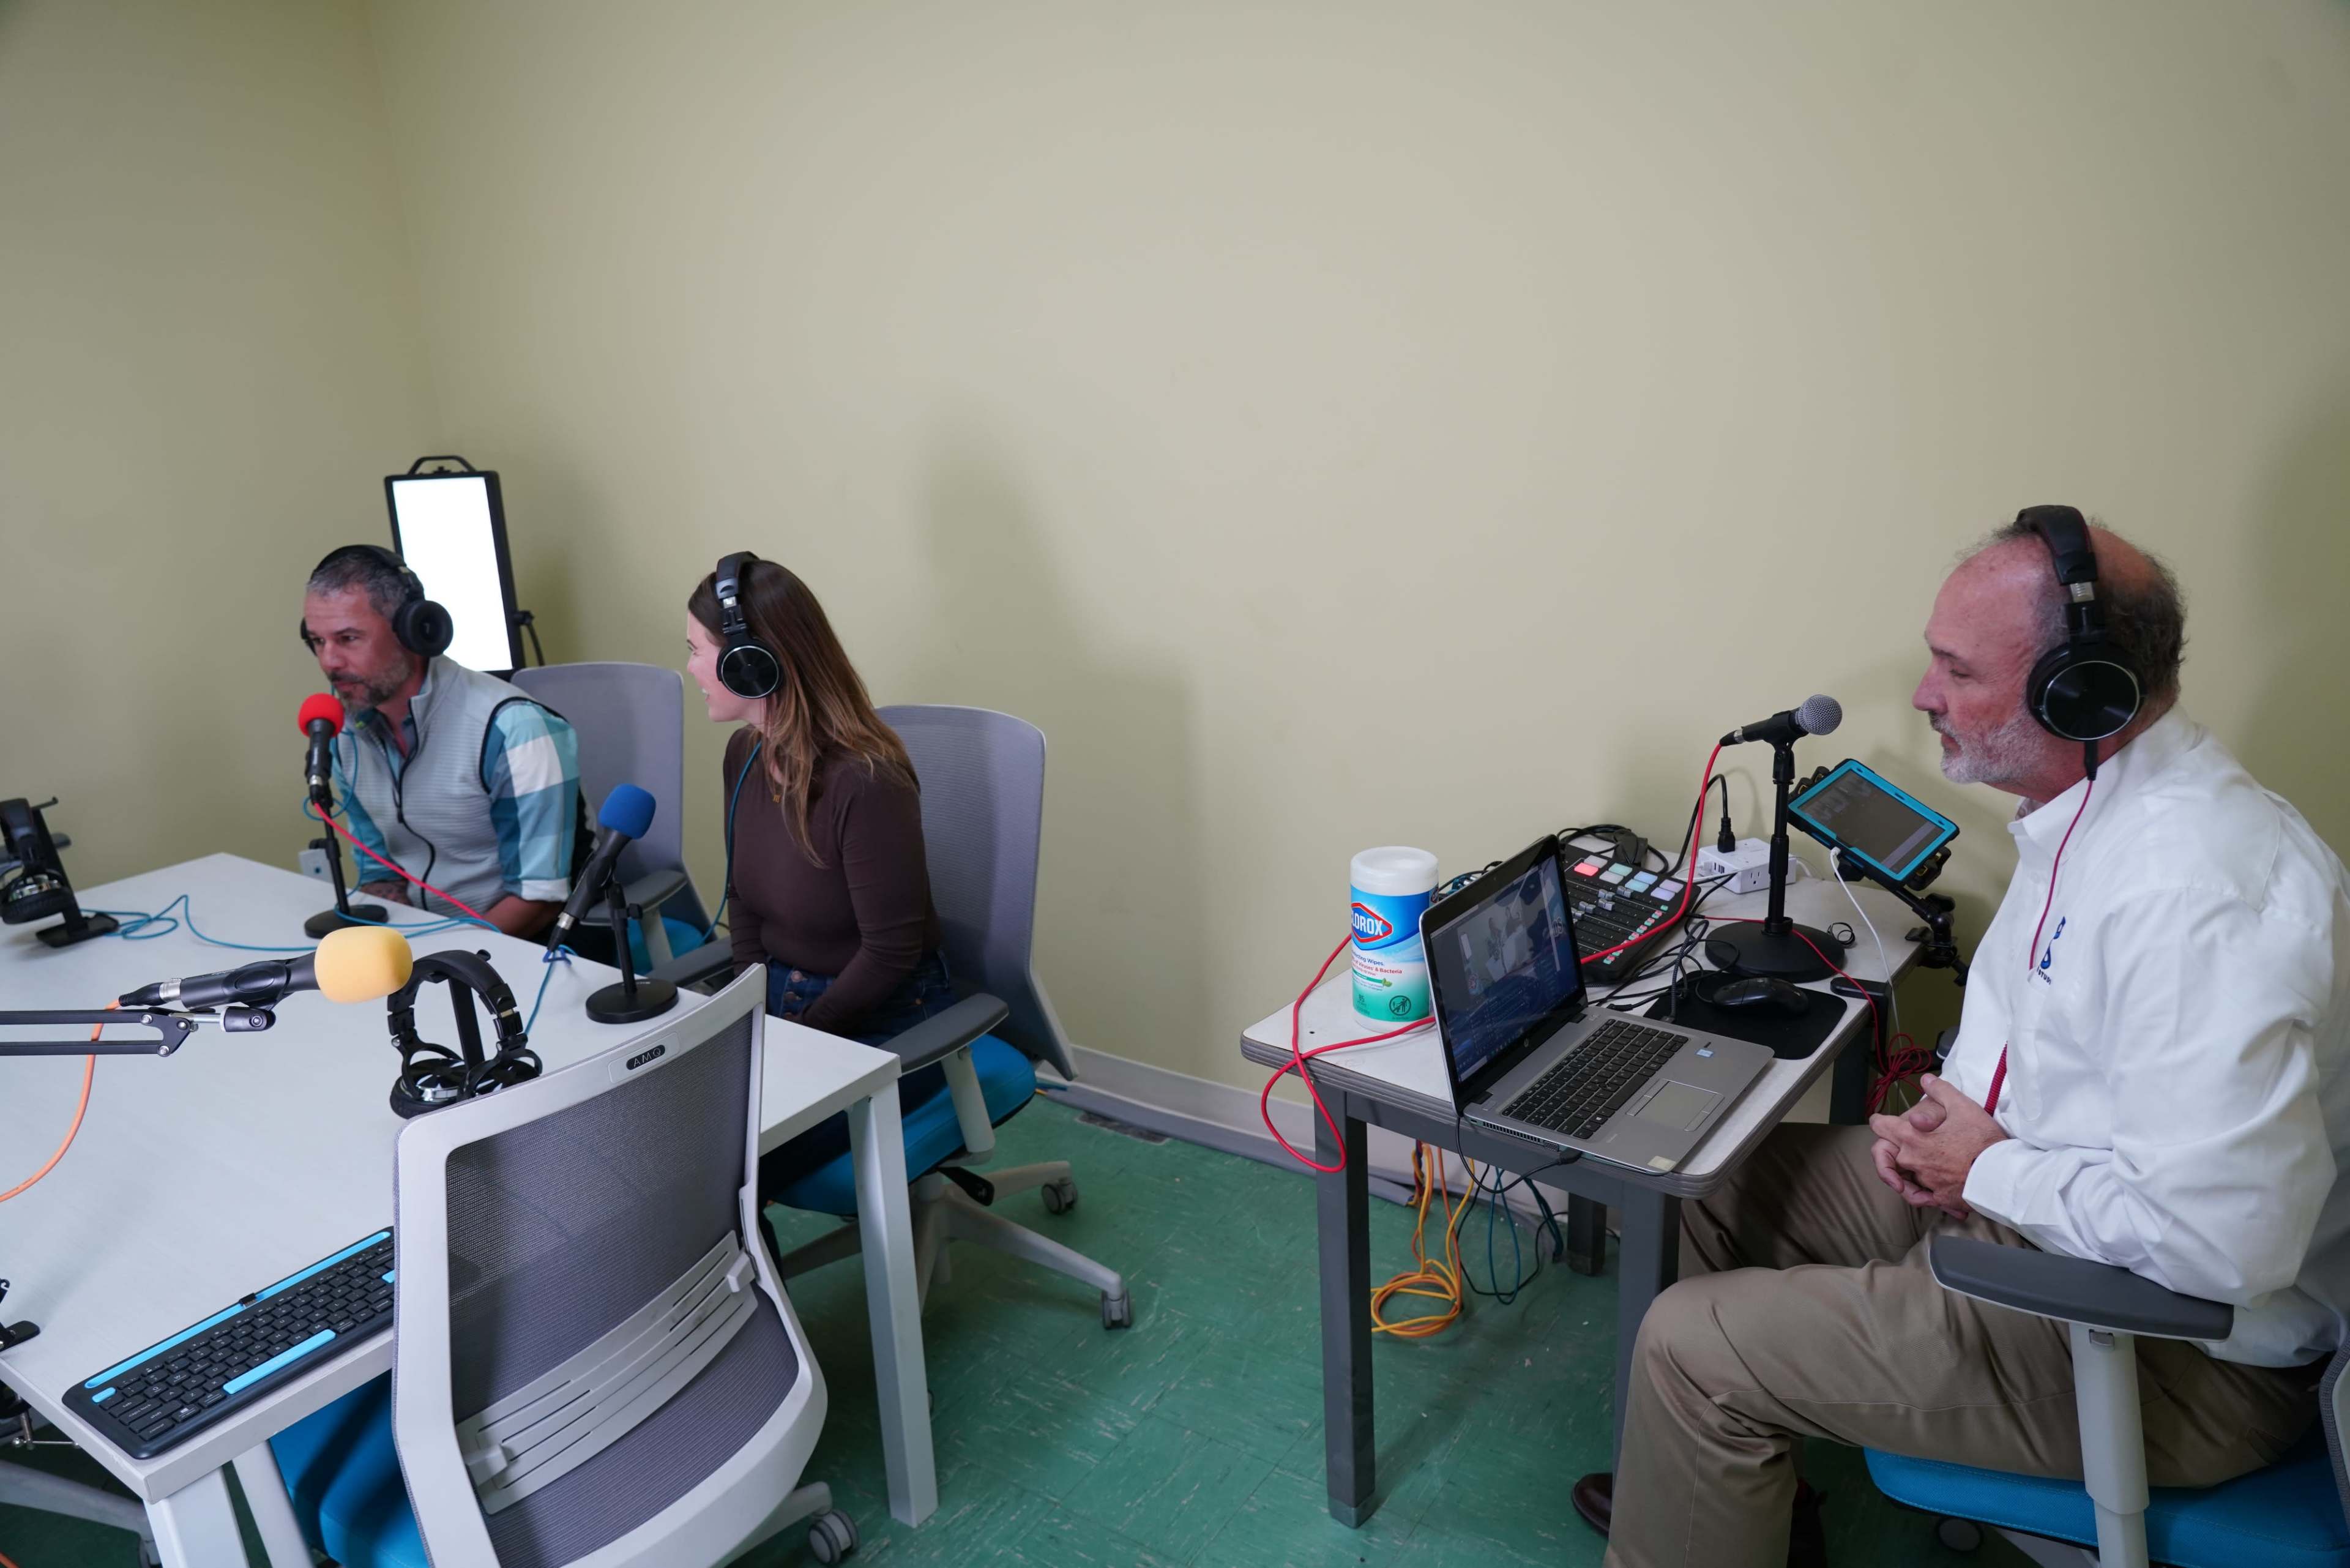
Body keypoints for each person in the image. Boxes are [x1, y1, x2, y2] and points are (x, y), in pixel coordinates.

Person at [1580, 513, 2350, 1568]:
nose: (1925, 695)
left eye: (1956, 668)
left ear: (2079, 693)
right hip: (2048, 1216)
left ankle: (1712, 1428)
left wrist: (1994, 1168)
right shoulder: (2087, 805)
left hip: (2175, 1351)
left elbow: (2223, 1248)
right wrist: (1974, 1120)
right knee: (1697, 1180)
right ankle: (1728, 1500)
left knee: (1689, 1345)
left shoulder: (2195, 895)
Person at [684, 552, 953, 1190]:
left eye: (699, 652)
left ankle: (749, 1292)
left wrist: (796, 1043)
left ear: (750, 665)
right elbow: (744, 902)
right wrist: (751, 1006)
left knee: (718, 1165)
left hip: (882, 1018)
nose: (692, 669)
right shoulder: (744, 754)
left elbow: (891, 953)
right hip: (785, 1004)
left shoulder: (866, 781)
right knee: (659, 1129)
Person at [300, 545, 581, 938]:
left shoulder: (514, 730)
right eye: (317, 641)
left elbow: (538, 902)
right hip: (424, 943)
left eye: (348, 639)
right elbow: (382, 875)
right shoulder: (343, 734)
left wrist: (438, 962)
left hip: (523, 950)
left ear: (413, 631)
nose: (329, 662)